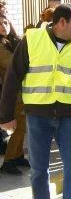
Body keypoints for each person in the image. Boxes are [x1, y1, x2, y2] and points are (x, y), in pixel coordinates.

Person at [0, 4, 71, 199]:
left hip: (69, 117)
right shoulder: (32, 39)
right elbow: (13, 78)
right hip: (38, 117)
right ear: (61, 22)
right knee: (39, 170)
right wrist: (6, 116)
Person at [0, 14, 26, 175]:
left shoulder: (15, 41)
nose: (3, 26)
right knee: (17, 127)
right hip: (11, 92)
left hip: (22, 90)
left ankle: (17, 156)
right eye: (0, 24)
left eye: (5, 22)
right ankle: (8, 160)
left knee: (22, 125)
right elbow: (12, 63)